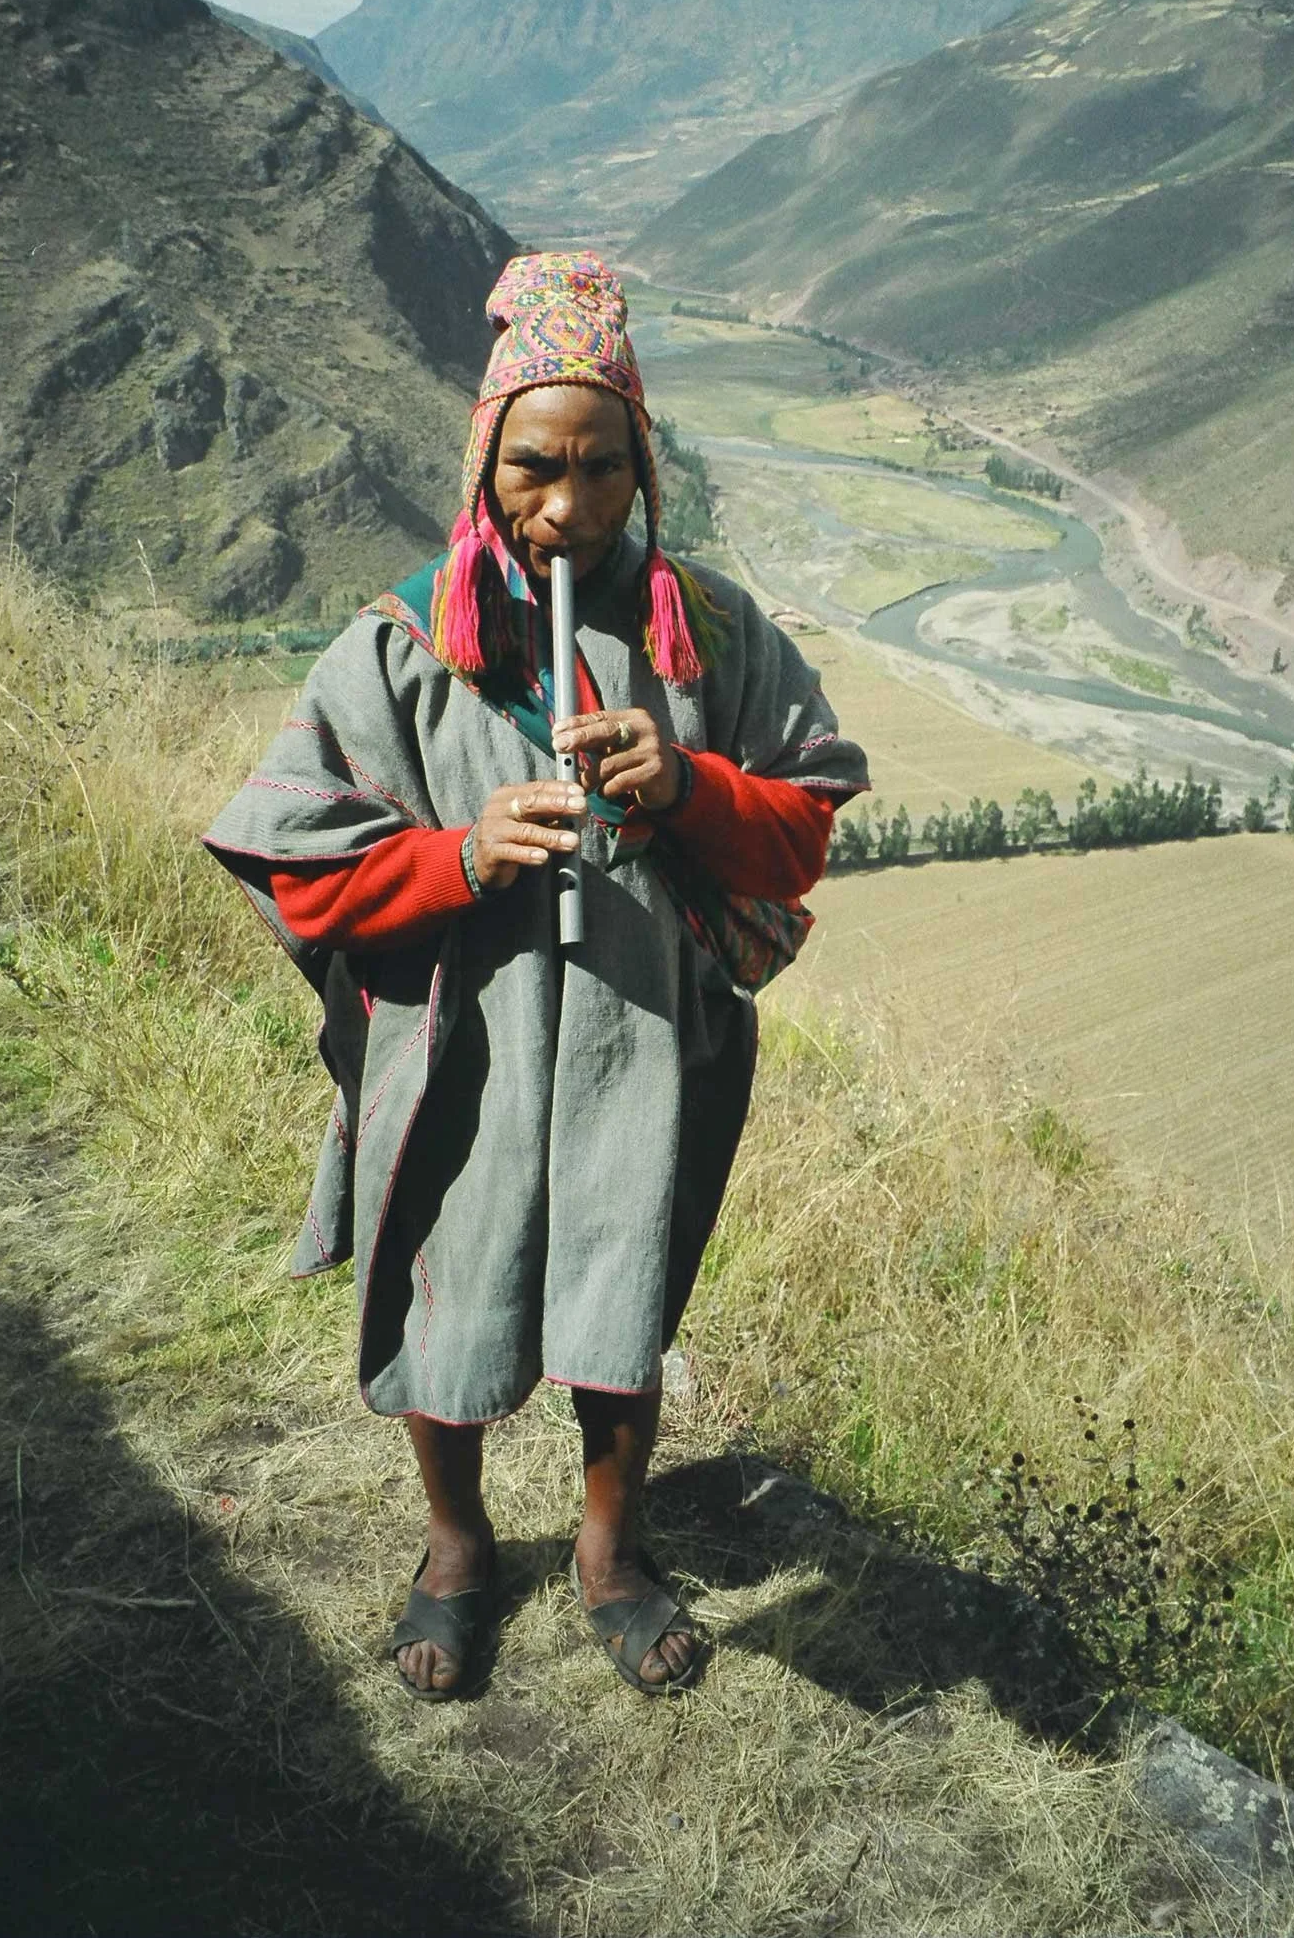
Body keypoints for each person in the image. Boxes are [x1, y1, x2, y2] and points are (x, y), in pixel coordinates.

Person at [204, 251, 869, 1702]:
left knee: (624, 1284)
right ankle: (455, 1546)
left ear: (643, 459)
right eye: (534, 468)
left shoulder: (714, 631)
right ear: (484, 458)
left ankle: (611, 1549)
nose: (568, 507)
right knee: (453, 1282)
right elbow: (303, 861)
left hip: (647, 1033)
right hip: (462, 1039)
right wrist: (461, 856)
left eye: (604, 469)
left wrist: (686, 781)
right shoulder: (400, 642)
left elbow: (800, 832)